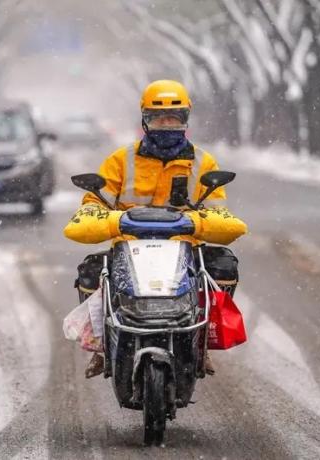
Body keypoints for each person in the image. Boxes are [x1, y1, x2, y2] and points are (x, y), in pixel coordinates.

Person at [64, 80, 248, 378]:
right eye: (158, 117)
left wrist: (195, 222)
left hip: (184, 249)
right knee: (89, 271)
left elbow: (221, 217)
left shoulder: (203, 162)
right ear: (144, 119)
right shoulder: (119, 161)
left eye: (174, 118)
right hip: (127, 248)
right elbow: (89, 210)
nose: (167, 124)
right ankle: (101, 345)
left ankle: (201, 343)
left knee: (225, 265)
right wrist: (114, 221)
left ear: (186, 119)